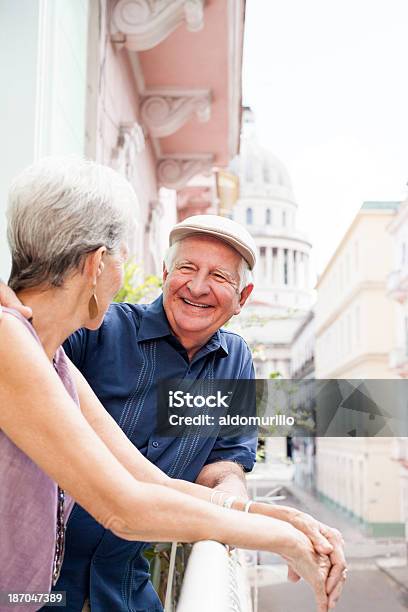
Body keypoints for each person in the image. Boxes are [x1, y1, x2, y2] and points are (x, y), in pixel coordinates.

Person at [0, 156, 346, 612]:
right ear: (97, 264)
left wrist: (283, 518)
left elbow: (149, 481)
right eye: (123, 256)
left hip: (111, 588)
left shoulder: (56, 362)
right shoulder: (21, 341)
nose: (198, 288)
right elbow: (124, 505)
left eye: (218, 276)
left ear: (242, 297)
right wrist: (281, 538)